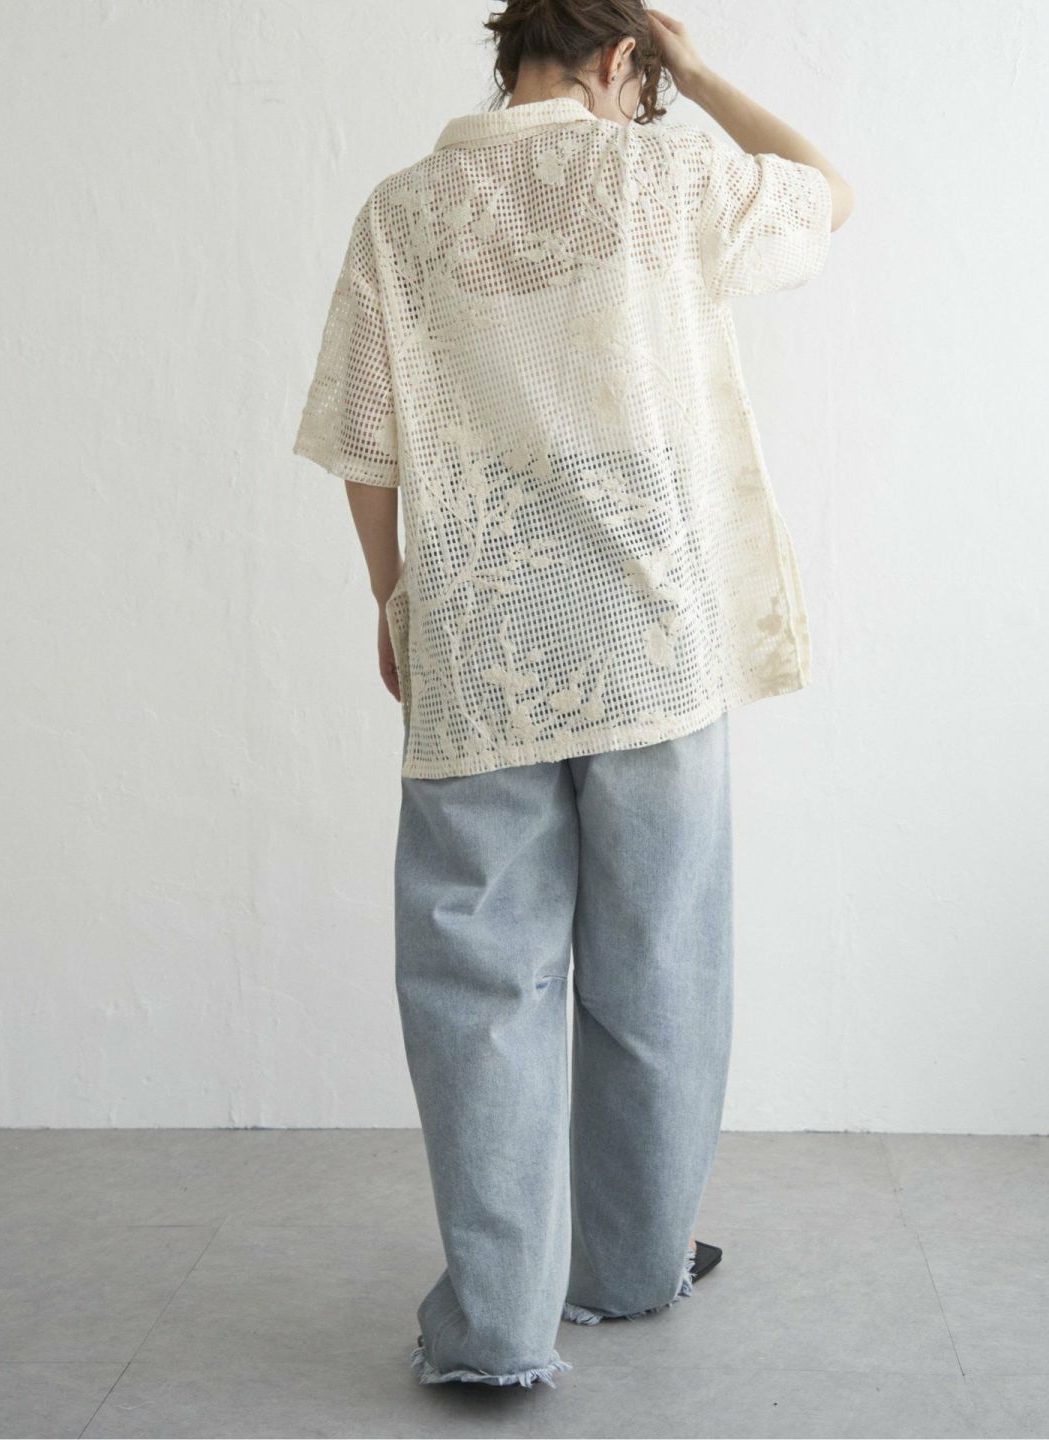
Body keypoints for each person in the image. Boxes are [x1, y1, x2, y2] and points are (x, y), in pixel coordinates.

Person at [292, 0, 854, 1391]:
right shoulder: (665, 177)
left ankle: (493, 1332)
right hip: (653, 649)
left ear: (513, 56)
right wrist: (702, 77)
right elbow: (827, 195)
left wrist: (394, 602)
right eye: (645, 79)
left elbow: (368, 442)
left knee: (478, 983)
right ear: (621, 61)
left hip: (483, 643)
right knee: (662, 966)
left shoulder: (404, 212)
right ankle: (632, 1264)